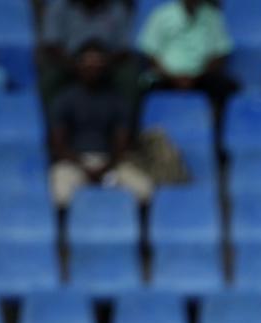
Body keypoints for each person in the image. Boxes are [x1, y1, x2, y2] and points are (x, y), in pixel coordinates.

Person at [48, 40, 153, 208]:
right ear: (78, 66)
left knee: (144, 189)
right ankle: (63, 226)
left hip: (111, 163)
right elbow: (58, 145)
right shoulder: (64, 100)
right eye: (87, 63)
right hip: (74, 162)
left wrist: (104, 168)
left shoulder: (118, 101)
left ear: (106, 67)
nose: (92, 68)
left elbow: (122, 145)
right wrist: (83, 168)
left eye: (98, 63)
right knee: (60, 191)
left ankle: (138, 225)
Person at [38, 0, 137, 109]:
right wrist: (77, 65)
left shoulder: (116, 8)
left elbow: (124, 49)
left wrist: (101, 64)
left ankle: (128, 119)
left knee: (129, 78)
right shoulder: (59, 7)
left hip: (107, 63)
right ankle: (52, 119)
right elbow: (51, 45)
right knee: (50, 80)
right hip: (70, 62)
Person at [138, 0, 237, 106]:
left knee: (224, 86)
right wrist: (172, 77)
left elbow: (220, 53)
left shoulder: (213, 17)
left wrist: (197, 76)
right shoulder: (161, 15)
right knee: (143, 85)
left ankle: (213, 116)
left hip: (201, 77)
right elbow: (150, 52)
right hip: (165, 76)